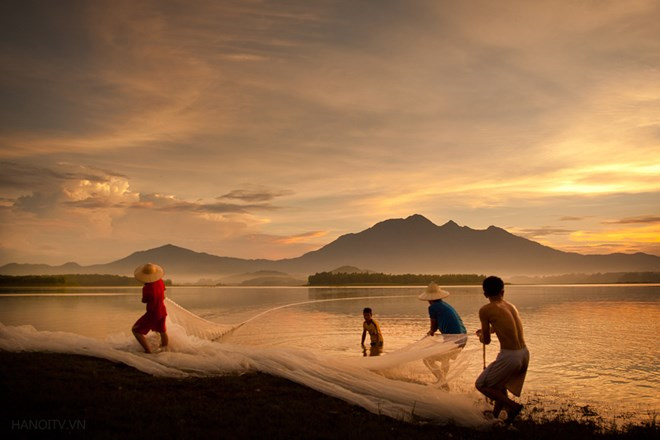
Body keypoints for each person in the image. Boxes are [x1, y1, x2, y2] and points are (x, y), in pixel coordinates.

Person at [476, 275, 529, 424]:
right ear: (503, 292)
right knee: (499, 385)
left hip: (510, 356)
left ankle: (513, 407)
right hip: (524, 353)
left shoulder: (485, 310)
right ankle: (494, 416)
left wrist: (481, 335)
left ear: (485, 294)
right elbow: (507, 327)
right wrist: (492, 330)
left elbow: (486, 341)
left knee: (481, 384)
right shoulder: (511, 306)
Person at [418, 282, 467, 389]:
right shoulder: (446, 305)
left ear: (429, 298)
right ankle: (443, 381)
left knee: (427, 359)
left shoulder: (433, 308)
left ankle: (442, 382)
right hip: (463, 338)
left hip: (453, 339)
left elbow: (433, 328)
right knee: (445, 358)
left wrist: (428, 335)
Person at [132, 263, 168, 353]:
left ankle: (148, 351)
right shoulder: (160, 281)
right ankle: (165, 350)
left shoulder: (147, 288)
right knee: (162, 331)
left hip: (152, 313)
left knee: (136, 330)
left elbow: (144, 301)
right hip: (162, 310)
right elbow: (163, 295)